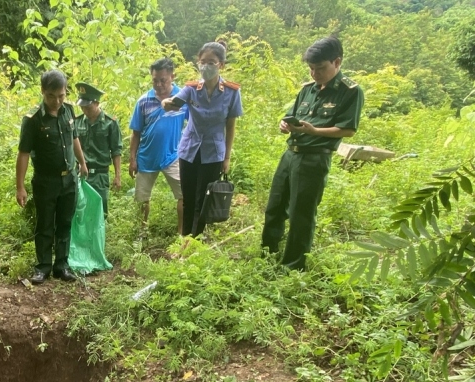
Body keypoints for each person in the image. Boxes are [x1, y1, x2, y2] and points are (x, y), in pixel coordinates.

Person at [261, 36, 364, 270]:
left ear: (337, 62)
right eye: (311, 68)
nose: (314, 74)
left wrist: (314, 130)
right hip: (291, 153)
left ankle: (293, 266)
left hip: (314, 158)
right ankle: (267, 253)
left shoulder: (350, 91)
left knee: (301, 213)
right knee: (275, 206)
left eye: (320, 68)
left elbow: (348, 129)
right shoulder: (307, 90)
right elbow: (290, 114)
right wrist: (284, 124)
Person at [16, 69, 89, 284]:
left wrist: (82, 163)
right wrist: (19, 186)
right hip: (45, 181)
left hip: (69, 179)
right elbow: (23, 154)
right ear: (43, 92)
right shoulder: (33, 119)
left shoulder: (68, 111)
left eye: (61, 96)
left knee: (65, 223)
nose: (56, 101)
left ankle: (62, 265)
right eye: (51, 96)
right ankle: (43, 267)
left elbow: (74, 138)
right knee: (45, 224)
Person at [163, 41, 243, 237]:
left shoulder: (232, 92)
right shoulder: (191, 89)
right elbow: (172, 103)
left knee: (204, 198)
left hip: (213, 153)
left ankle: (195, 239)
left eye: (211, 62)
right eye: (202, 61)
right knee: (188, 196)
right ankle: (185, 238)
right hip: (189, 150)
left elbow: (230, 126)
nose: (205, 66)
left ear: (221, 65)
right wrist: (167, 102)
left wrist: (226, 157)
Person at [129, 58, 188, 234]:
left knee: (184, 196)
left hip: (173, 155)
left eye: (163, 80)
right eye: (155, 80)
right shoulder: (144, 101)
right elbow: (136, 133)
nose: (159, 84)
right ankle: (141, 233)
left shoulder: (182, 98)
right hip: (146, 157)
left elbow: (194, 123)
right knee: (141, 199)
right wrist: (132, 159)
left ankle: (181, 235)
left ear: (172, 76)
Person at [74, 82, 123, 215]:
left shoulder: (110, 123)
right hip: (80, 174)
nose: (85, 110)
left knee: (100, 212)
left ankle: (97, 236)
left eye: (88, 107)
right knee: (80, 212)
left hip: (100, 175)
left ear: (96, 103)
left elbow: (116, 151)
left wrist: (118, 176)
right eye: (82, 107)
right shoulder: (77, 122)